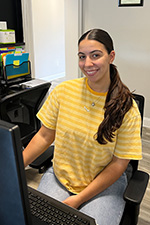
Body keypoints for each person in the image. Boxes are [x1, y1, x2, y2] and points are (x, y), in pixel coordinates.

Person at [23, 29, 142, 225]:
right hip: (60, 176)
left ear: (111, 56)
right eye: (82, 56)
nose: (87, 64)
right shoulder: (63, 92)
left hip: (104, 186)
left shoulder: (126, 107)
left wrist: (78, 199)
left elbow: (119, 164)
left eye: (96, 55)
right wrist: (15, 168)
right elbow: (44, 136)